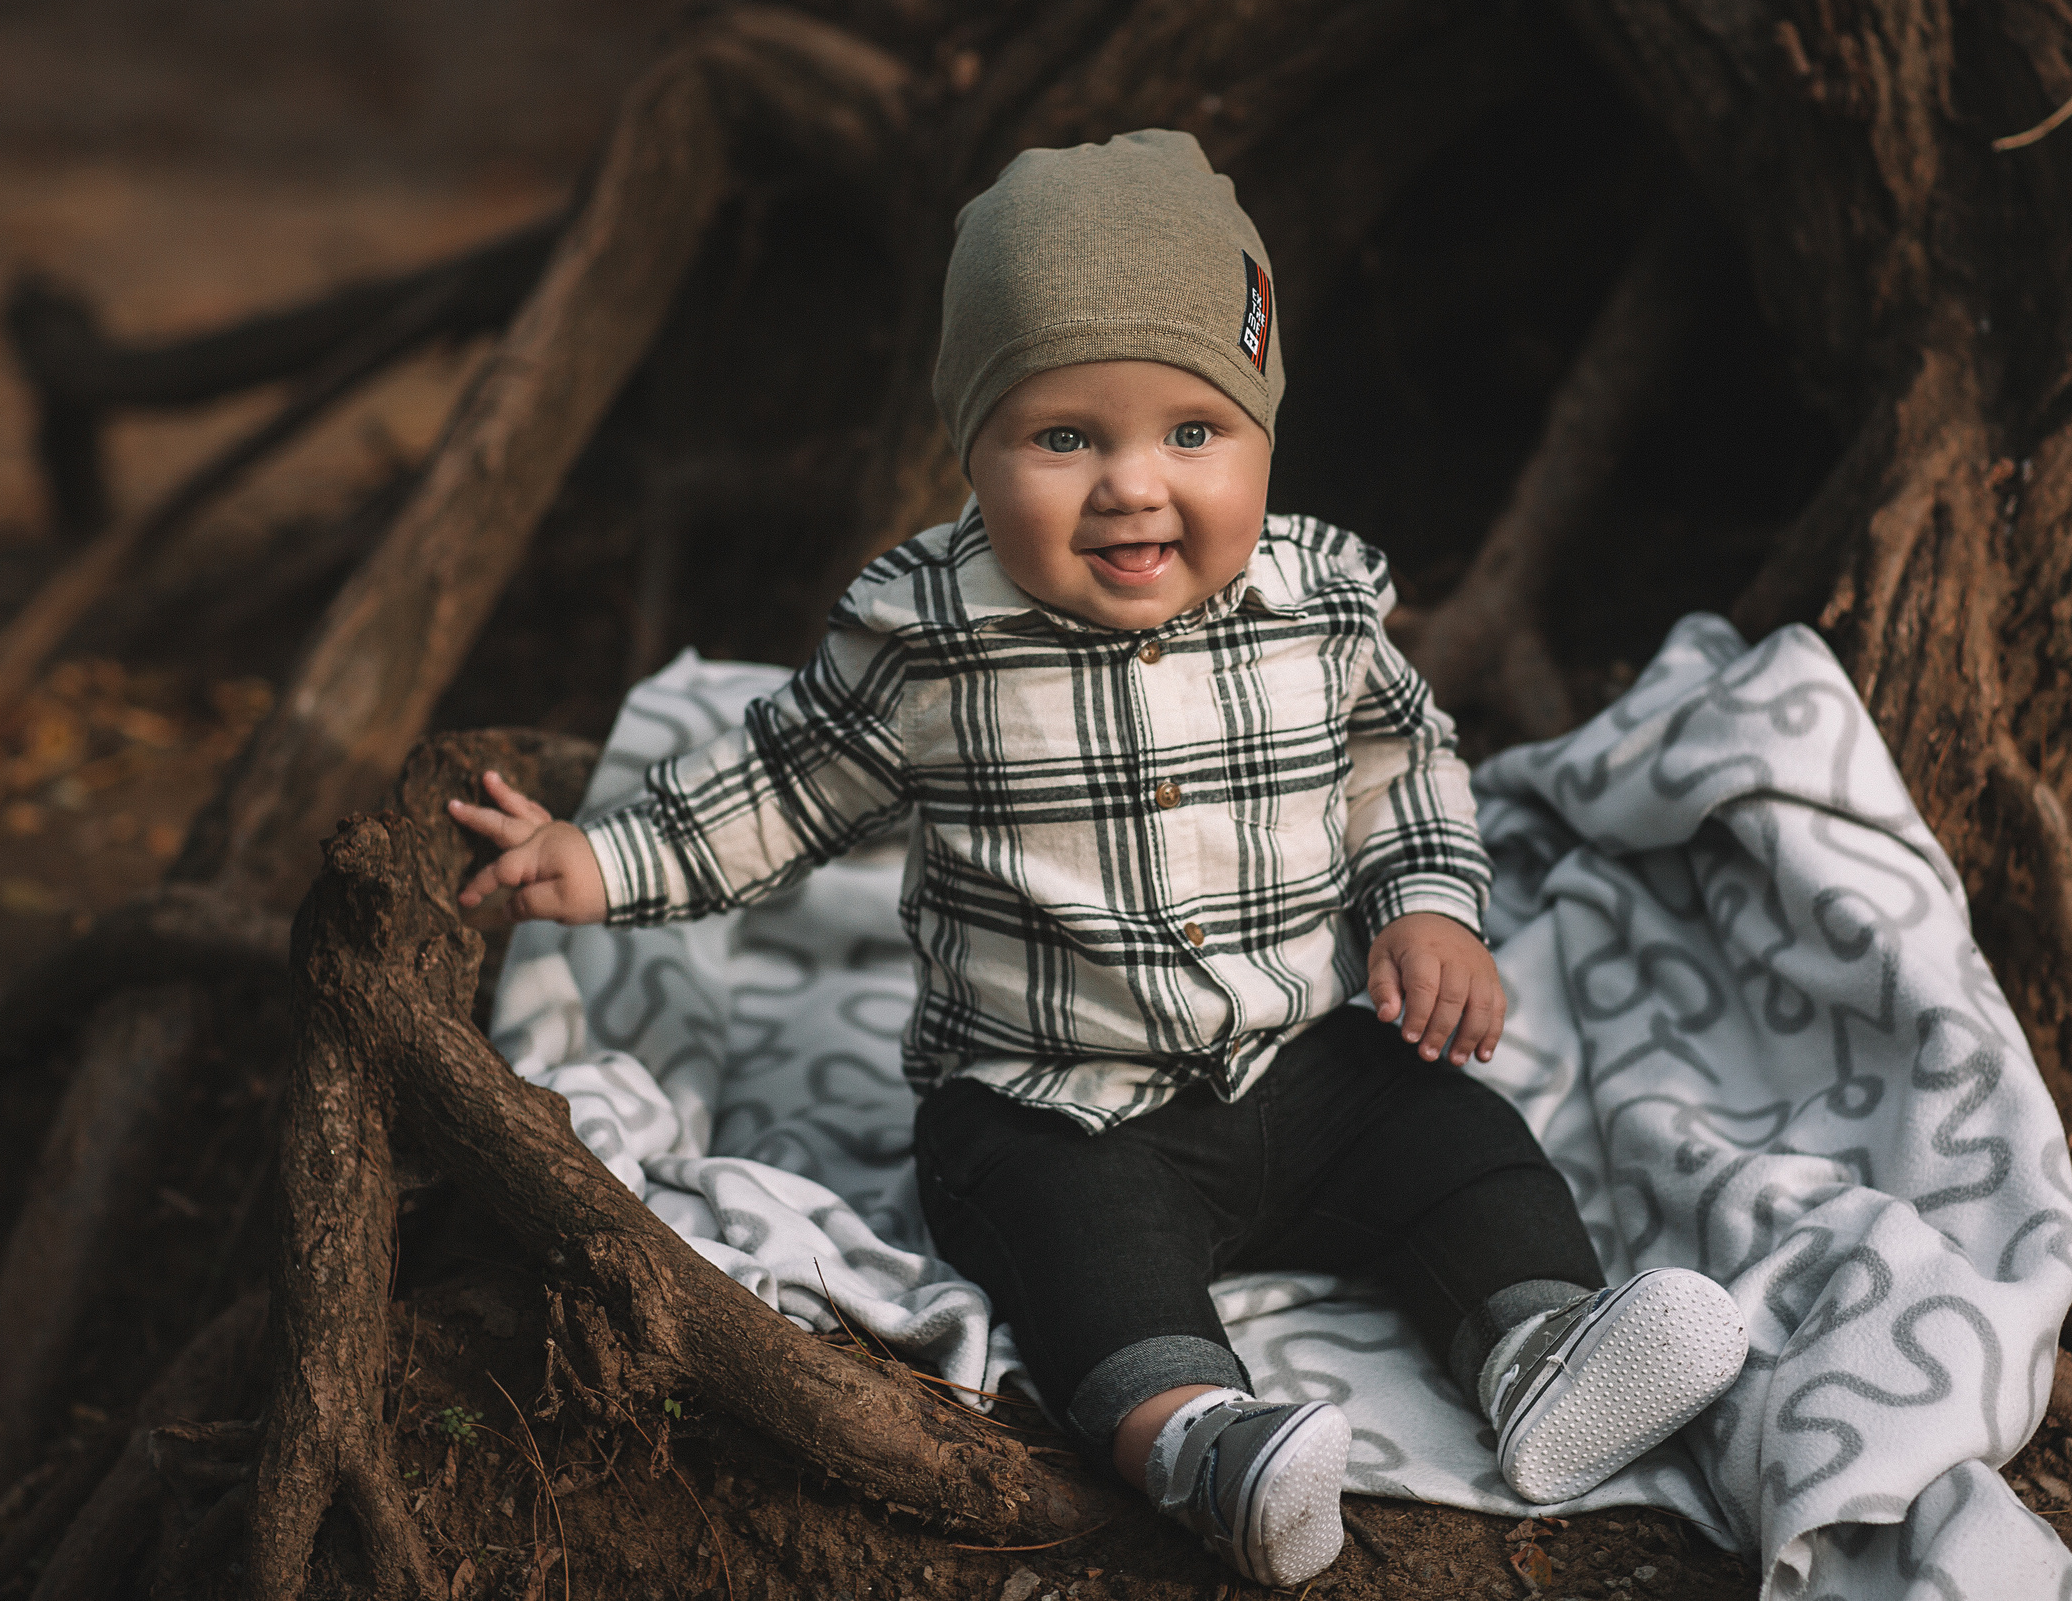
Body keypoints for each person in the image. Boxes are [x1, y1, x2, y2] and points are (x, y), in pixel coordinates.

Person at [449, 128, 1747, 1590]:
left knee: (1453, 1138)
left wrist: (1429, 907)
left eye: (1192, 433)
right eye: (1066, 438)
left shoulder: (1314, 604)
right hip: (1054, 1101)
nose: (1134, 487)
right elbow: (783, 787)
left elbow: (1404, 768)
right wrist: (602, 863)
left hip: (1310, 1057)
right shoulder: (932, 638)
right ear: (974, 447)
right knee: (1080, 1258)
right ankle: (1203, 1442)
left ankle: (1539, 1342)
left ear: (1265, 429)